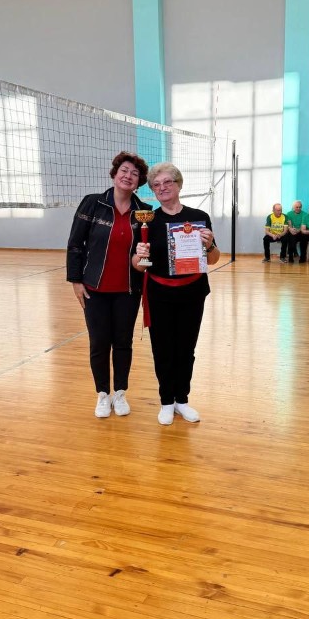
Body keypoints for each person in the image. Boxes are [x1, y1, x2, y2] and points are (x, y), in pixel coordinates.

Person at [133, 163, 220, 425]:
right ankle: (166, 402)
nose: (162, 188)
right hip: (159, 294)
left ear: (179, 184)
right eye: (156, 185)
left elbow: (214, 259)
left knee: (186, 349)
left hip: (192, 293)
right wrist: (140, 256)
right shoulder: (147, 220)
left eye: (167, 182)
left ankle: (182, 399)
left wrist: (209, 245)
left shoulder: (199, 216)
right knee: (162, 350)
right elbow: (138, 265)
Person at [67, 151, 151, 418]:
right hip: (94, 289)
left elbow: (145, 253)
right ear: (115, 174)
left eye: (134, 174)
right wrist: (75, 280)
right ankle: (103, 394)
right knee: (99, 343)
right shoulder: (92, 203)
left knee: (123, 342)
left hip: (128, 290)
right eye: (124, 170)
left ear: (139, 182)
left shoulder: (145, 212)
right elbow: (75, 244)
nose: (128, 176)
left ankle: (120, 393)